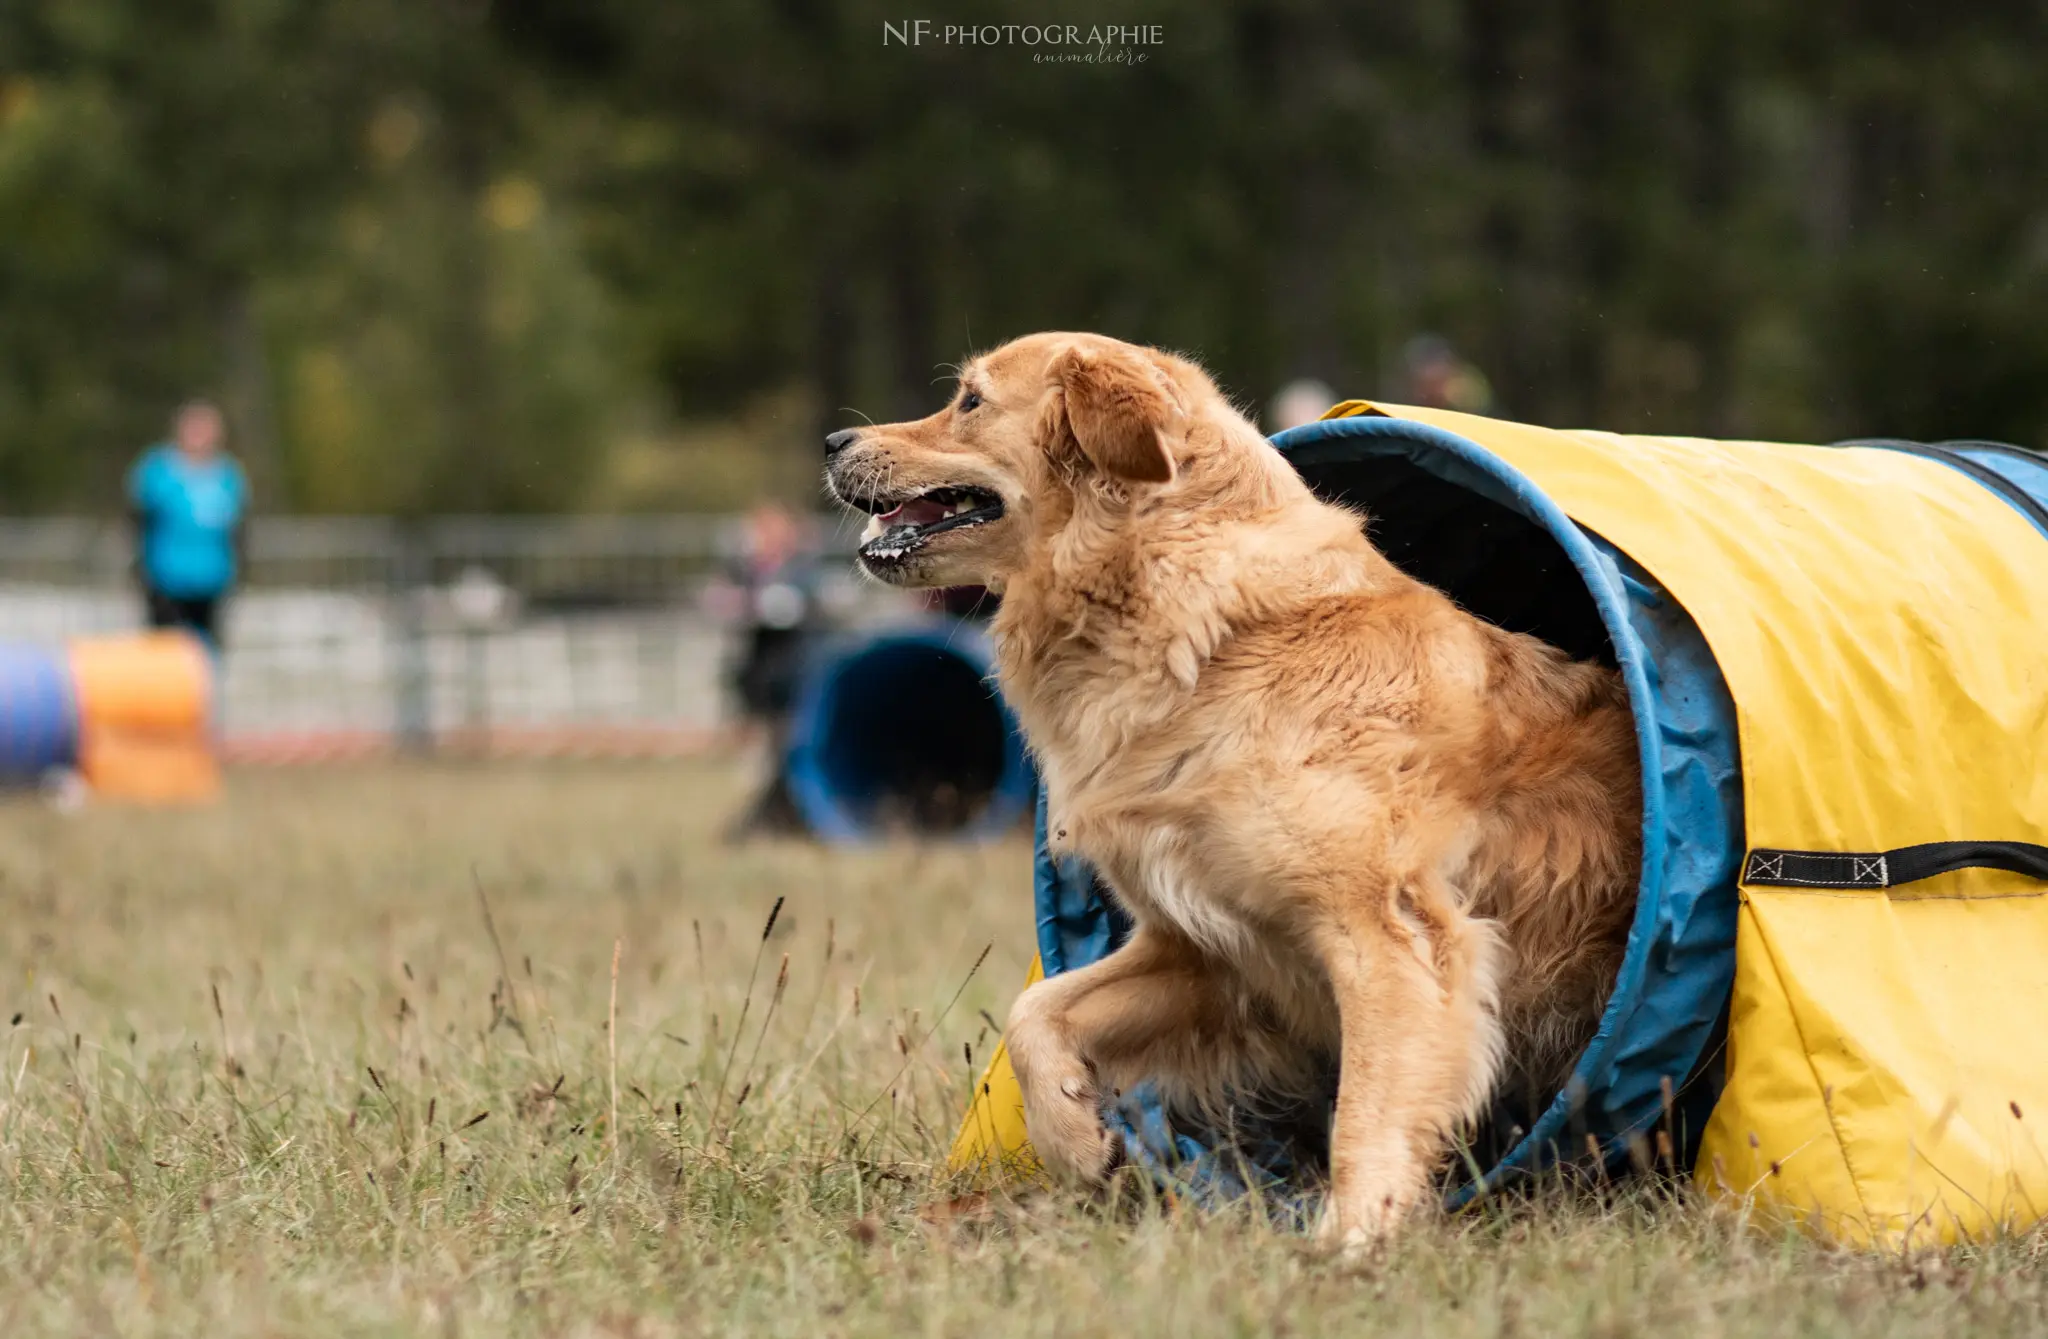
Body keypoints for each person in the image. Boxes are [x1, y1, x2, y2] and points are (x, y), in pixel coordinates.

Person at [127, 400, 248, 648]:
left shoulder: (227, 475)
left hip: (212, 578)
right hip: (166, 578)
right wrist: (139, 568)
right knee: (166, 651)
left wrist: (240, 571)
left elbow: (239, 529)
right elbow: (138, 520)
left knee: (206, 651)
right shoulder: (158, 471)